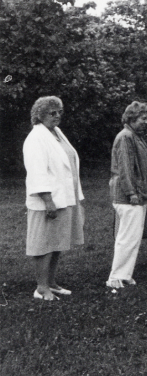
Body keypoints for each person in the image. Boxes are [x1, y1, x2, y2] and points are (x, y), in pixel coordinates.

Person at [23, 96, 84, 301]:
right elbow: (37, 171)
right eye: (52, 112)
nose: (57, 116)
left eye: (59, 112)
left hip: (64, 197)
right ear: (39, 115)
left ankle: (51, 282)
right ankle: (41, 287)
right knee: (44, 244)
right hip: (48, 200)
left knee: (57, 243)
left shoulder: (56, 133)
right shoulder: (36, 137)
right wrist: (48, 200)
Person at [107, 101, 147, 289]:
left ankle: (125, 275)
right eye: (143, 118)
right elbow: (125, 168)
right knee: (127, 237)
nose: (146, 122)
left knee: (133, 237)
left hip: (138, 195)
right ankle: (115, 277)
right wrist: (131, 193)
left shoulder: (134, 136)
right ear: (132, 118)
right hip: (128, 196)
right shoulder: (126, 137)